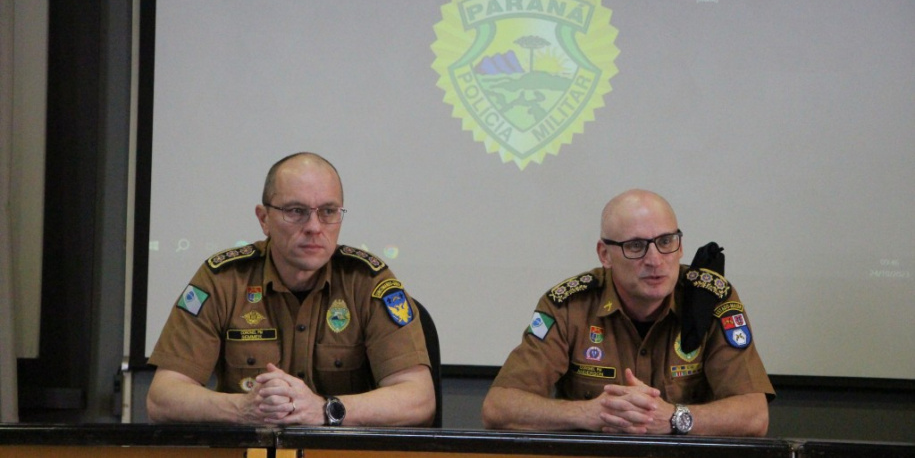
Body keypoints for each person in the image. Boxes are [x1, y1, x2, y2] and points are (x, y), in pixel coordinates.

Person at [147, 152, 435, 426]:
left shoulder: (367, 281)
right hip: (249, 450)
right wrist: (244, 408)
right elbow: (162, 397)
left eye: (328, 211)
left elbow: (419, 399)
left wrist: (324, 410)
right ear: (264, 219)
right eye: (296, 211)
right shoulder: (223, 279)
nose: (314, 227)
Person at [481, 189, 774, 436]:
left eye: (665, 242)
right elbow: (499, 407)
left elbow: (754, 416)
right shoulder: (569, 306)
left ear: (681, 246)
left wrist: (673, 418)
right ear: (604, 254)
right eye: (635, 246)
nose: (655, 260)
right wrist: (590, 413)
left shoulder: (711, 299)